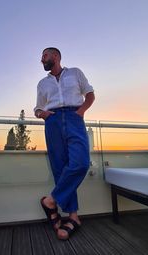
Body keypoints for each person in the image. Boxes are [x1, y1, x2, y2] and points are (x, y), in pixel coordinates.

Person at [34, 47, 95, 240]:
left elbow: (90, 94)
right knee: (60, 168)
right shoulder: (42, 83)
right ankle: (73, 217)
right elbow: (37, 107)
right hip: (52, 121)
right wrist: (41, 114)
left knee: (80, 163)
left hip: (74, 117)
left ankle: (50, 201)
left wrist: (80, 112)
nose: (41, 59)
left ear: (56, 56)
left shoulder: (75, 72)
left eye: (44, 55)